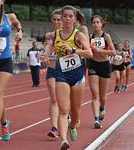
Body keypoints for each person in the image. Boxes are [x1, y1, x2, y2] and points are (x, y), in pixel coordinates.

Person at [43, 5, 93, 150]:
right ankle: (64, 140)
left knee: (76, 110)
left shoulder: (79, 35)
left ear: (75, 18)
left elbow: (89, 53)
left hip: (77, 75)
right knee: (63, 109)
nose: (67, 19)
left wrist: (74, 50)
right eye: (65, 16)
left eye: (70, 16)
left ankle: (73, 125)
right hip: (61, 74)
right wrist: (45, 55)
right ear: (62, 17)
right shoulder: (55, 34)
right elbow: (49, 46)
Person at [0, 0, 23, 146]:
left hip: (5, 61)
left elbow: (16, 23)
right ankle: (4, 123)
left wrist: (20, 31)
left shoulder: (9, 17)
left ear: (2, 1)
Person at [87, 15, 116, 129]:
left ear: (101, 23)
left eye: (97, 22)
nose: (95, 24)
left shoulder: (106, 36)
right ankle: (96, 119)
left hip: (104, 65)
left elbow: (113, 52)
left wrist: (100, 50)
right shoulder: (90, 37)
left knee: (103, 96)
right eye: (93, 22)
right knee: (95, 94)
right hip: (93, 65)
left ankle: (102, 107)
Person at [44, 9, 62, 138]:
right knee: (54, 98)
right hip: (52, 69)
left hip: (67, 71)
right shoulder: (49, 35)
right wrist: (44, 55)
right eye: (54, 19)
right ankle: (55, 127)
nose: (56, 22)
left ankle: (68, 115)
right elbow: (47, 48)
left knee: (66, 99)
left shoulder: (70, 35)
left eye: (59, 19)